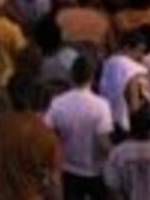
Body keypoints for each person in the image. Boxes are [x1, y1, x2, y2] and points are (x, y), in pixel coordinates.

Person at [46, 56, 115, 199]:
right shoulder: (101, 105)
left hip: (68, 169)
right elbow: (103, 142)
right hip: (95, 171)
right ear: (92, 76)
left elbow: (48, 133)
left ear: (71, 75)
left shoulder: (58, 103)